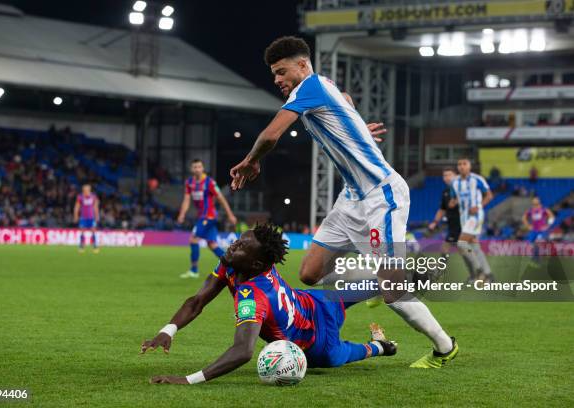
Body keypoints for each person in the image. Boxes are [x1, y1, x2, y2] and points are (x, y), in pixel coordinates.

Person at [228, 36, 457, 368]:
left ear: (302, 65)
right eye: (274, 74)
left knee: (394, 294)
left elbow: (271, 134)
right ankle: (384, 277)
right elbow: (344, 100)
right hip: (351, 200)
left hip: (383, 195)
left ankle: (444, 347)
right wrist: (356, 127)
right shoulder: (324, 88)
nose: (277, 79)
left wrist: (251, 160)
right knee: (309, 273)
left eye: (281, 71)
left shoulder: (309, 86)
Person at [141, 224, 397, 385]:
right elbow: (197, 301)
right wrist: (168, 330)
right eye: (238, 241)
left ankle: (381, 342)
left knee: (343, 354)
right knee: (375, 286)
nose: (233, 246)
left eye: (241, 246)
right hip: (313, 300)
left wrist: (188, 379)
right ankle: (385, 333)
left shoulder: (252, 296)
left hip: (318, 341)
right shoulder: (235, 262)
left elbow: (243, 351)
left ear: (255, 265)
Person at [177, 159, 237, 279]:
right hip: (202, 216)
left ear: (203, 168)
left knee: (193, 239)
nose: (197, 169)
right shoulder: (189, 182)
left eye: (199, 167)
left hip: (208, 216)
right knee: (212, 244)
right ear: (191, 169)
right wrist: (182, 214)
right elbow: (186, 199)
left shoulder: (209, 182)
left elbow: (221, 199)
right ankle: (232, 266)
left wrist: (230, 214)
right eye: (195, 167)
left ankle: (194, 270)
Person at [428, 167, 477, 282]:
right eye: (444, 175)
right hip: (453, 225)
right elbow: (442, 209)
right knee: (453, 249)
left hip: (462, 225)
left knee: (449, 248)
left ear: (456, 176)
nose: (446, 178)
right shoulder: (446, 192)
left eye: (449, 175)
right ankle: (474, 275)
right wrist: (435, 222)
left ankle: (439, 273)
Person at [450, 158, 494, 283]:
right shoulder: (455, 182)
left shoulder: (477, 179)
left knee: (461, 243)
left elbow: (489, 195)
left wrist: (478, 206)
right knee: (474, 245)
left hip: (475, 216)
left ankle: (479, 270)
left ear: (469, 166)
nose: (461, 166)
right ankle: (489, 275)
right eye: (459, 164)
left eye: (464, 164)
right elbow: (455, 198)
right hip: (463, 217)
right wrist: (453, 203)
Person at [522, 196, 554, 265]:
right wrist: (528, 226)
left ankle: (538, 260)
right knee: (530, 244)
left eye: (536, 200)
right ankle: (534, 258)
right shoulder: (530, 210)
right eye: (534, 200)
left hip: (541, 231)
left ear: (539, 201)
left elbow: (551, 216)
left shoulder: (544, 209)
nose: (535, 201)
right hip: (534, 230)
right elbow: (524, 218)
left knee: (538, 243)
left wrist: (548, 225)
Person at [73, 184, 100, 253]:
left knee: (93, 231)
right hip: (83, 217)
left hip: (91, 217)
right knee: (82, 231)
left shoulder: (93, 197)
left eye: (87, 190)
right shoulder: (80, 197)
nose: (86, 191)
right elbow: (77, 207)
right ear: (83, 190)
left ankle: (95, 246)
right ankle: (81, 246)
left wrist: (97, 216)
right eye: (85, 190)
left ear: (89, 190)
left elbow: (95, 207)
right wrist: (76, 215)